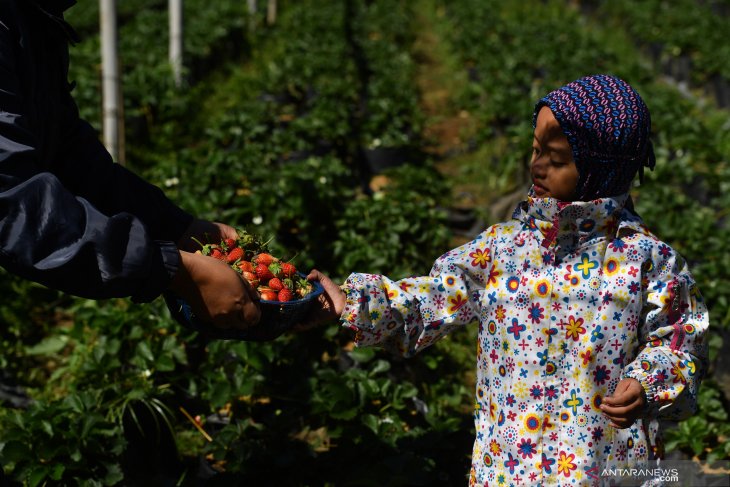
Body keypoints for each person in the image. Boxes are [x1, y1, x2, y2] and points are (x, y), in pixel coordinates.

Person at [310, 74, 709, 486]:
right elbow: (434, 296)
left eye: (556, 159)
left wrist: (648, 383)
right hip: (511, 467)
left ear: (600, 168)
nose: (536, 165)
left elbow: (682, 342)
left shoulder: (648, 261)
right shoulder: (502, 249)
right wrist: (354, 304)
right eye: (536, 149)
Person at [0, 0, 260, 329]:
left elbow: (68, 157)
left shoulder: (31, 16)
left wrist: (178, 229)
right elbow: (10, 197)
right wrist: (171, 268)